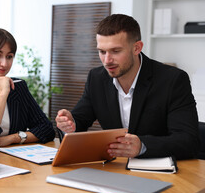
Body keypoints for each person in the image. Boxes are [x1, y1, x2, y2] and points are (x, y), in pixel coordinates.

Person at [55, 14, 199, 160]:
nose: (107, 60)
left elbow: (187, 141)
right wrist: (70, 124)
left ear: (137, 48)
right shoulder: (96, 78)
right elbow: (80, 119)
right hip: (116, 170)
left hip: (161, 171)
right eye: (102, 51)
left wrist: (142, 145)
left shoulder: (172, 80)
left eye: (116, 51)